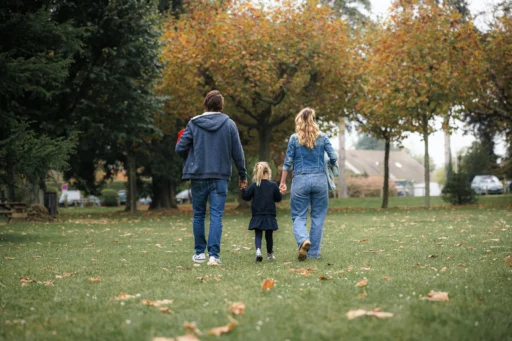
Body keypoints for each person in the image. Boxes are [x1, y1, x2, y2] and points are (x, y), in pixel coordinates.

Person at [176, 90, 247, 265]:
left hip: (198, 176)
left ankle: (199, 253)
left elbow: (179, 148)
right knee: (216, 215)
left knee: (199, 214)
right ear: (221, 106)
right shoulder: (229, 124)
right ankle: (214, 256)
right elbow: (238, 153)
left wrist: (191, 160)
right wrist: (243, 175)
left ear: (206, 104)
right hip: (220, 176)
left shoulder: (193, 123)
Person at [279, 108, 338, 261]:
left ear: (299, 121)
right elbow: (333, 156)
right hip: (320, 180)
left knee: (298, 216)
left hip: (300, 180)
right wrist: (330, 164)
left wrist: (283, 182)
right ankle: (313, 254)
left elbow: (287, 162)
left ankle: (304, 239)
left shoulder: (294, 139)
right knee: (318, 217)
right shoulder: (323, 137)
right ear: (313, 120)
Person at [241, 162, 282, 262]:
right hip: (269, 215)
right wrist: (280, 192)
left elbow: (246, 197)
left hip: (257, 214)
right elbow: (278, 198)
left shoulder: (254, 185)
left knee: (258, 233)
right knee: (269, 235)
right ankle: (269, 254)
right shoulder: (273, 185)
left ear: (257, 172)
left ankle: (258, 250)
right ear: (269, 172)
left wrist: (243, 189)